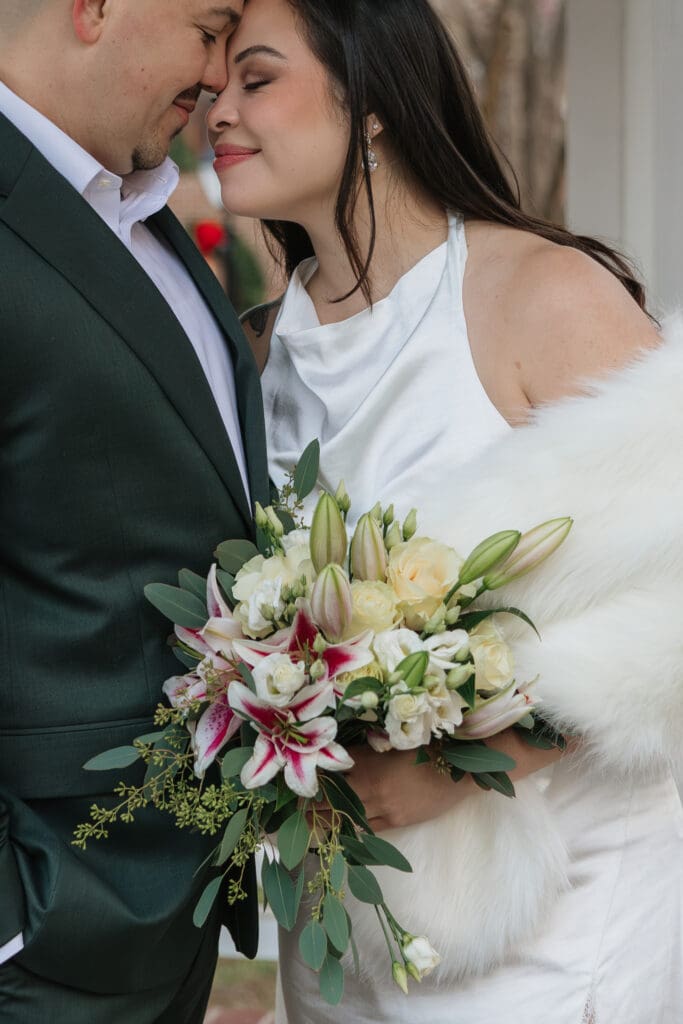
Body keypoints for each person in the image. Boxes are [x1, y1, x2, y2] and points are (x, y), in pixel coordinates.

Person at [207, 0, 683, 1021]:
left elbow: (670, 607)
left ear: (369, 99)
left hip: (558, 916)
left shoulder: (541, 294)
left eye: (256, 77)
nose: (217, 108)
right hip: (345, 927)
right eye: (214, 83)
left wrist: (463, 762)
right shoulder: (253, 348)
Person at [0, 2, 270, 1022]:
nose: (215, 73)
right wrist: (20, 921)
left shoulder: (145, 216)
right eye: (207, 27)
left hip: (171, 916)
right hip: (44, 936)